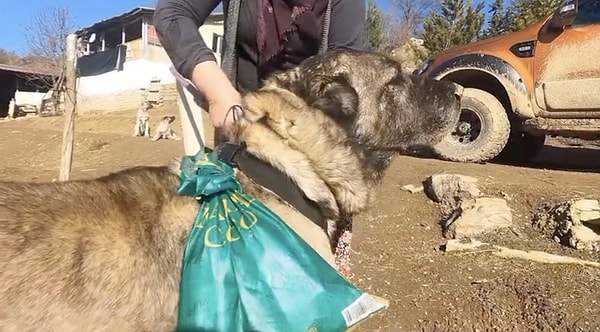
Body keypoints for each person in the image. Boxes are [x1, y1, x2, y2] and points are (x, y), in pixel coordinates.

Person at [153, 0, 367, 135]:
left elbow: (346, 68)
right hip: (242, 125)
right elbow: (172, 13)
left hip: (310, 139)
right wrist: (217, 91)